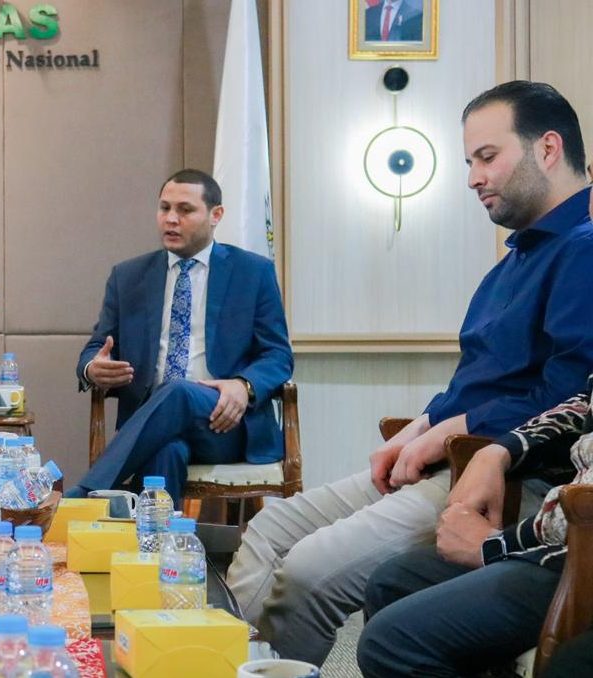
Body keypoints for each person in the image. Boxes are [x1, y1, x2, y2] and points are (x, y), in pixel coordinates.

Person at [227, 80, 593, 666]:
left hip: (510, 476)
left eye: (487, 156)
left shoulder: (582, 248)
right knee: (270, 530)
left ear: (548, 148)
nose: (473, 177)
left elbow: (567, 395)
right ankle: (233, 663)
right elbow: (474, 381)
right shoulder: (517, 258)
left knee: (307, 574)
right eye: (469, 162)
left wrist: (442, 434)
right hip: (451, 456)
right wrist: (418, 429)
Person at [64, 168, 293, 501]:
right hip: (155, 426)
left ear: (216, 215)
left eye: (185, 210)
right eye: (164, 208)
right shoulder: (128, 276)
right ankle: (156, 534)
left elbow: (278, 355)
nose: (171, 219)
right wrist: (92, 368)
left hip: (223, 422)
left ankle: (85, 493)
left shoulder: (252, 272)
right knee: (166, 452)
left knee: (179, 391)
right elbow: (97, 346)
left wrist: (244, 385)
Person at [358, 366, 593, 676]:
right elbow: (584, 405)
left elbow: (584, 502)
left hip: (578, 550)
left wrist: (495, 545)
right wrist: (500, 450)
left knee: (390, 643)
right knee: (391, 583)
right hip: (563, 530)